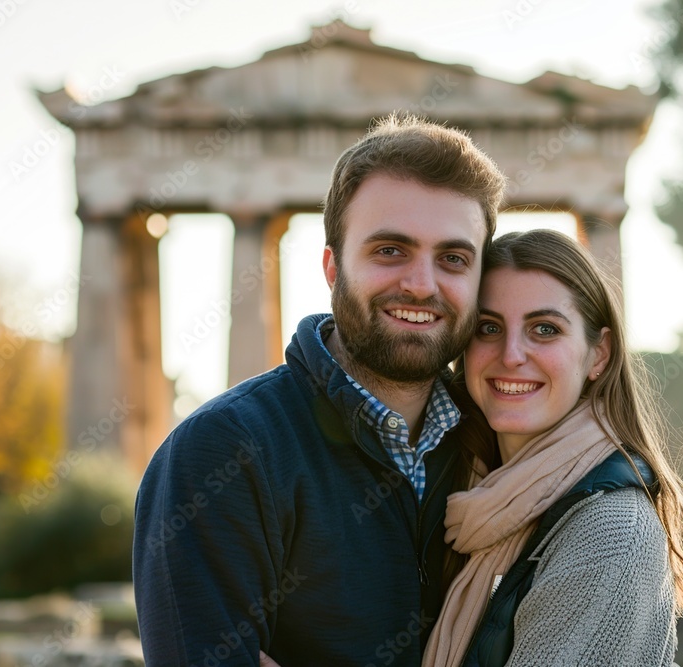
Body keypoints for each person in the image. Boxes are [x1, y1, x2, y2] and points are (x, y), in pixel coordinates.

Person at [132, 113, 506, 666]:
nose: (422, 284)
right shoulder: (220, 452)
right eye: (389, 250)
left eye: (453, 258)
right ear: (333, 268)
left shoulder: (501, 447)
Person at [422, 229, 683, 666]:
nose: (512, 354)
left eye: (544, 329)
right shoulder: (469, 496)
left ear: (599, 355)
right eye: (488, 327)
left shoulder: (612, 530)